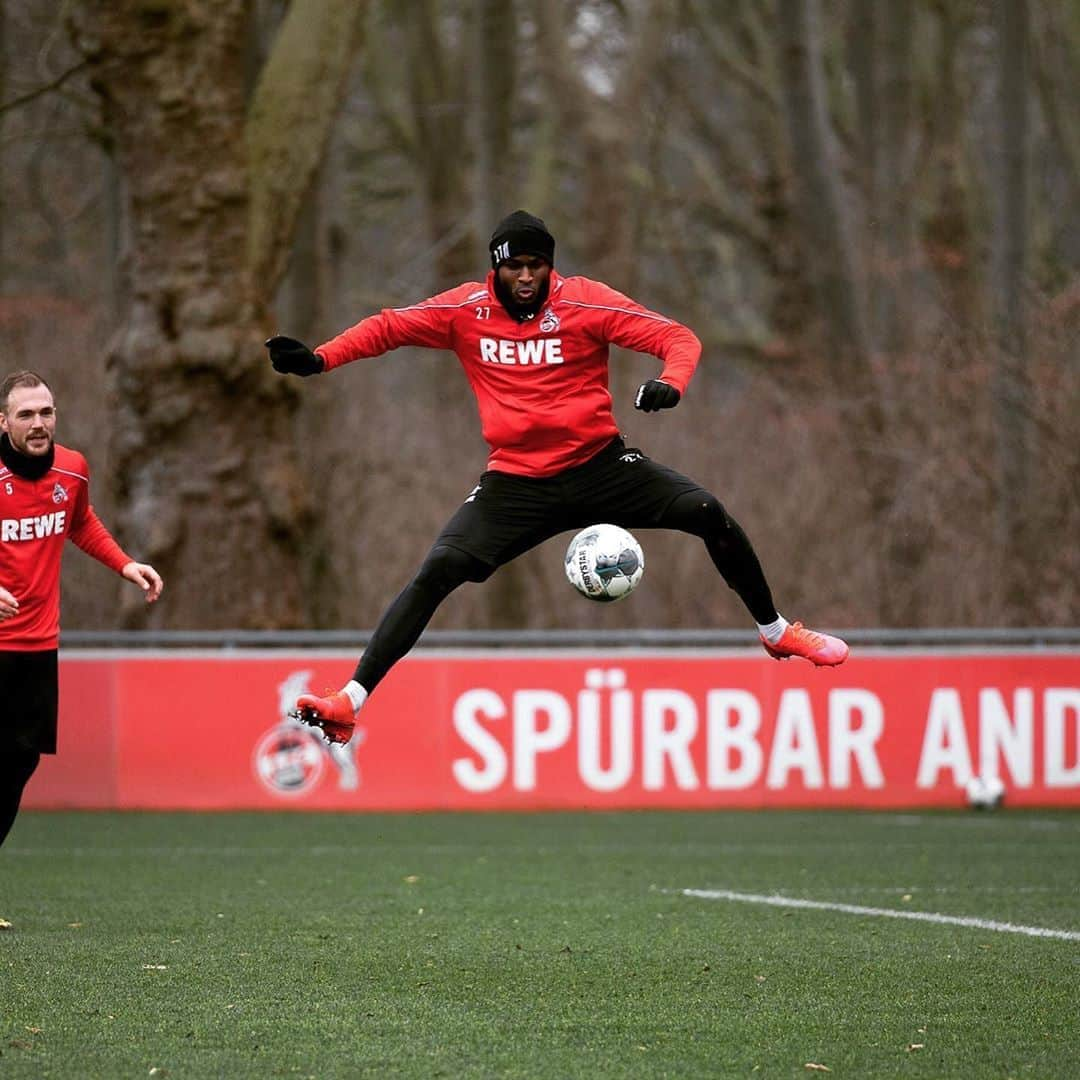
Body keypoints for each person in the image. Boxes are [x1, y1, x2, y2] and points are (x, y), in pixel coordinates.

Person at [266, 210, 848, 746]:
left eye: (536, 265)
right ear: (495, 266)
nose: (525, 276)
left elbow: (678, 338)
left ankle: (775, 632)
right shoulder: (463, 312)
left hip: (601, 466)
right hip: (516, 484)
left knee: (707, 513)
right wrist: (320, 359)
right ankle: (350, 699)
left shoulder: (585, 302)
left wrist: (672, 382)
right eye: (514, 265)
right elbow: (389, 327)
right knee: (439, 569)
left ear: (550, 266)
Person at [0, 370, 163, 926]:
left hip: (37, 646)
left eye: (45, 412)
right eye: (26, 415)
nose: (38, 423)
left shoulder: (73, 468)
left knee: (17, 765)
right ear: (4, 423)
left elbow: (81, 523)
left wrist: (125, 563)